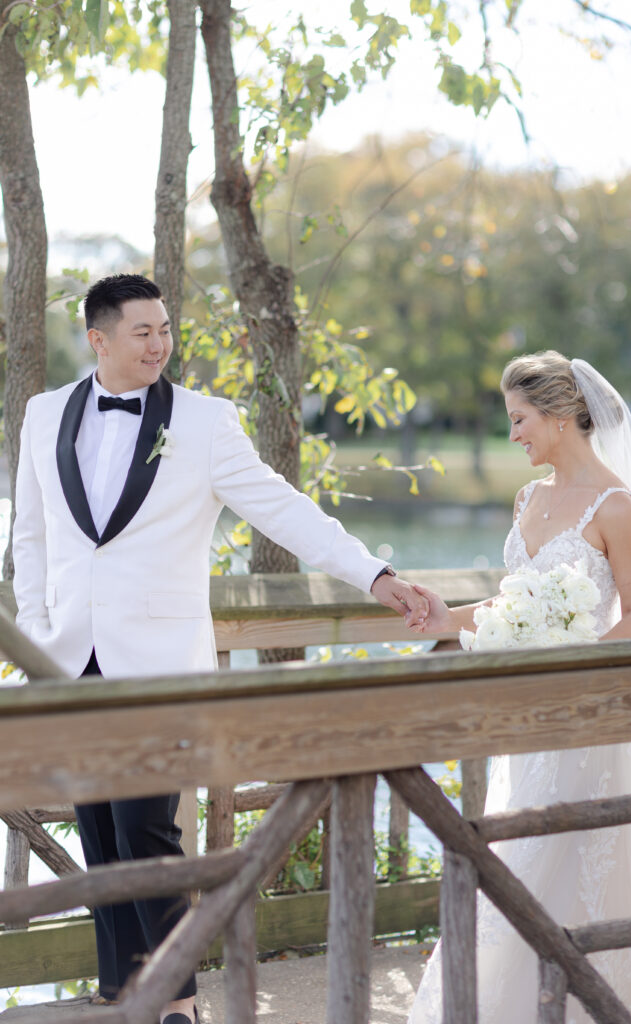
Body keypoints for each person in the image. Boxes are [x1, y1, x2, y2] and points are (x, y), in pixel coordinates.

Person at [11, 273, 429, 1024]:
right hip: (70, 659)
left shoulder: (203, 423)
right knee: (100, 828)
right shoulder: (43, 416)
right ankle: (123, 989)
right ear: (98, 340)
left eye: (165, 329)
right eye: (142, 332)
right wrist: (40, 640)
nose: (160, 344)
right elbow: (32, 540)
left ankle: (176, 1002)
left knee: (149, 828)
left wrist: (372, 573)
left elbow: (279, 506)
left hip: (160, 662)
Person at [406, 350, 631, 1024]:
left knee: (573, 863)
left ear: (559, 417)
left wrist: (571, 663)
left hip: (586, 720)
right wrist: (451, 618)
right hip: (528, 727)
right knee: (517, 858)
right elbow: (514, 600)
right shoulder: (527, 497)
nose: (513, 434)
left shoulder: (617, 507)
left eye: (519, 419)